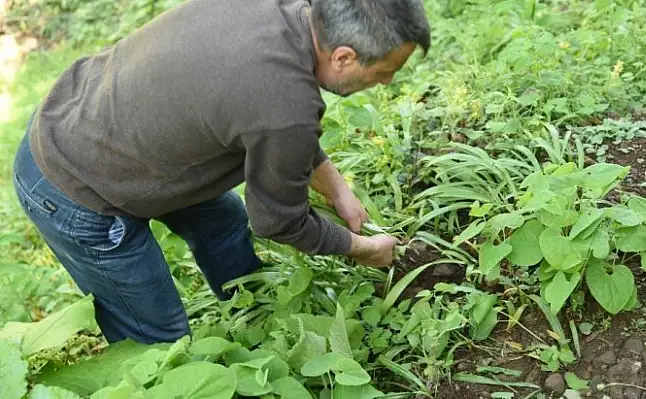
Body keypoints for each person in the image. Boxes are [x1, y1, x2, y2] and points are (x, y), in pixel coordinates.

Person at [11, 0, 431, 344]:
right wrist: (362, 248)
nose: (387, 82)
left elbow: (274, 122)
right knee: (158, 341)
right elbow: (279, 221)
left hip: (96, 116)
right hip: (72, 184)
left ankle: (254, 319)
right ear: (344, 57)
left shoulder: (279, 13)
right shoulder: (282, 104)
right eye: (384, 72)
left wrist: (338, 189)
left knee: (225, 224)